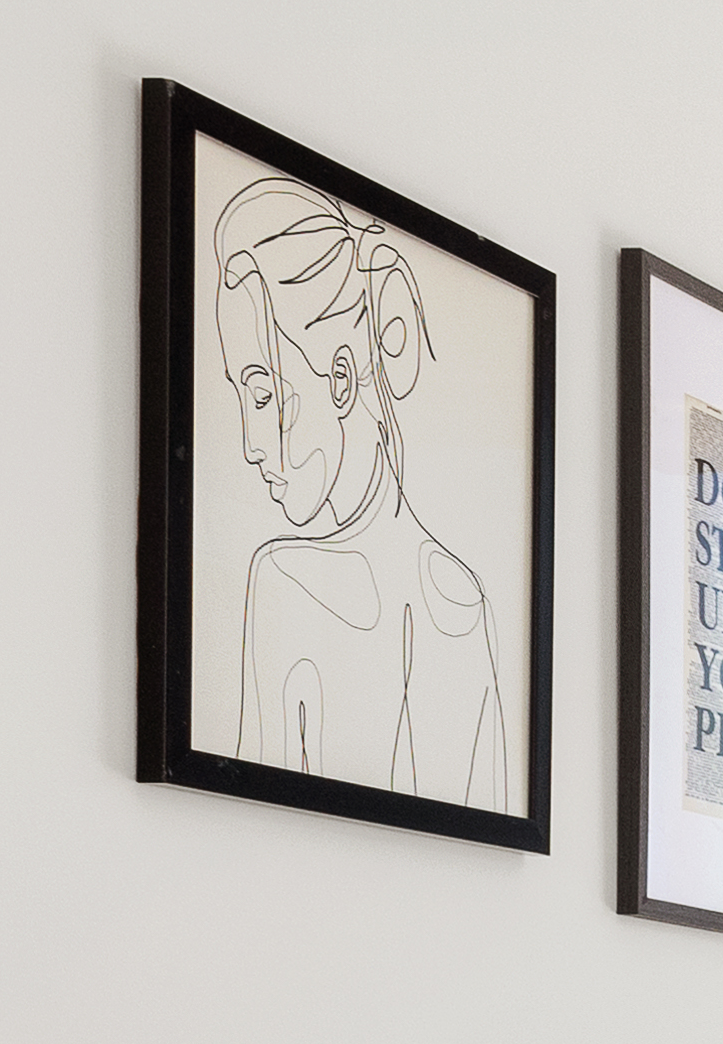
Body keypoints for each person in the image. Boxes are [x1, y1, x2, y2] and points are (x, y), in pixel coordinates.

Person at [206, 172, 507, 804]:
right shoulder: (465, 599)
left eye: (262, 395)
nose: (249, 443)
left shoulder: (284, 580)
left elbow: (246, 838)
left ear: (342, 378)